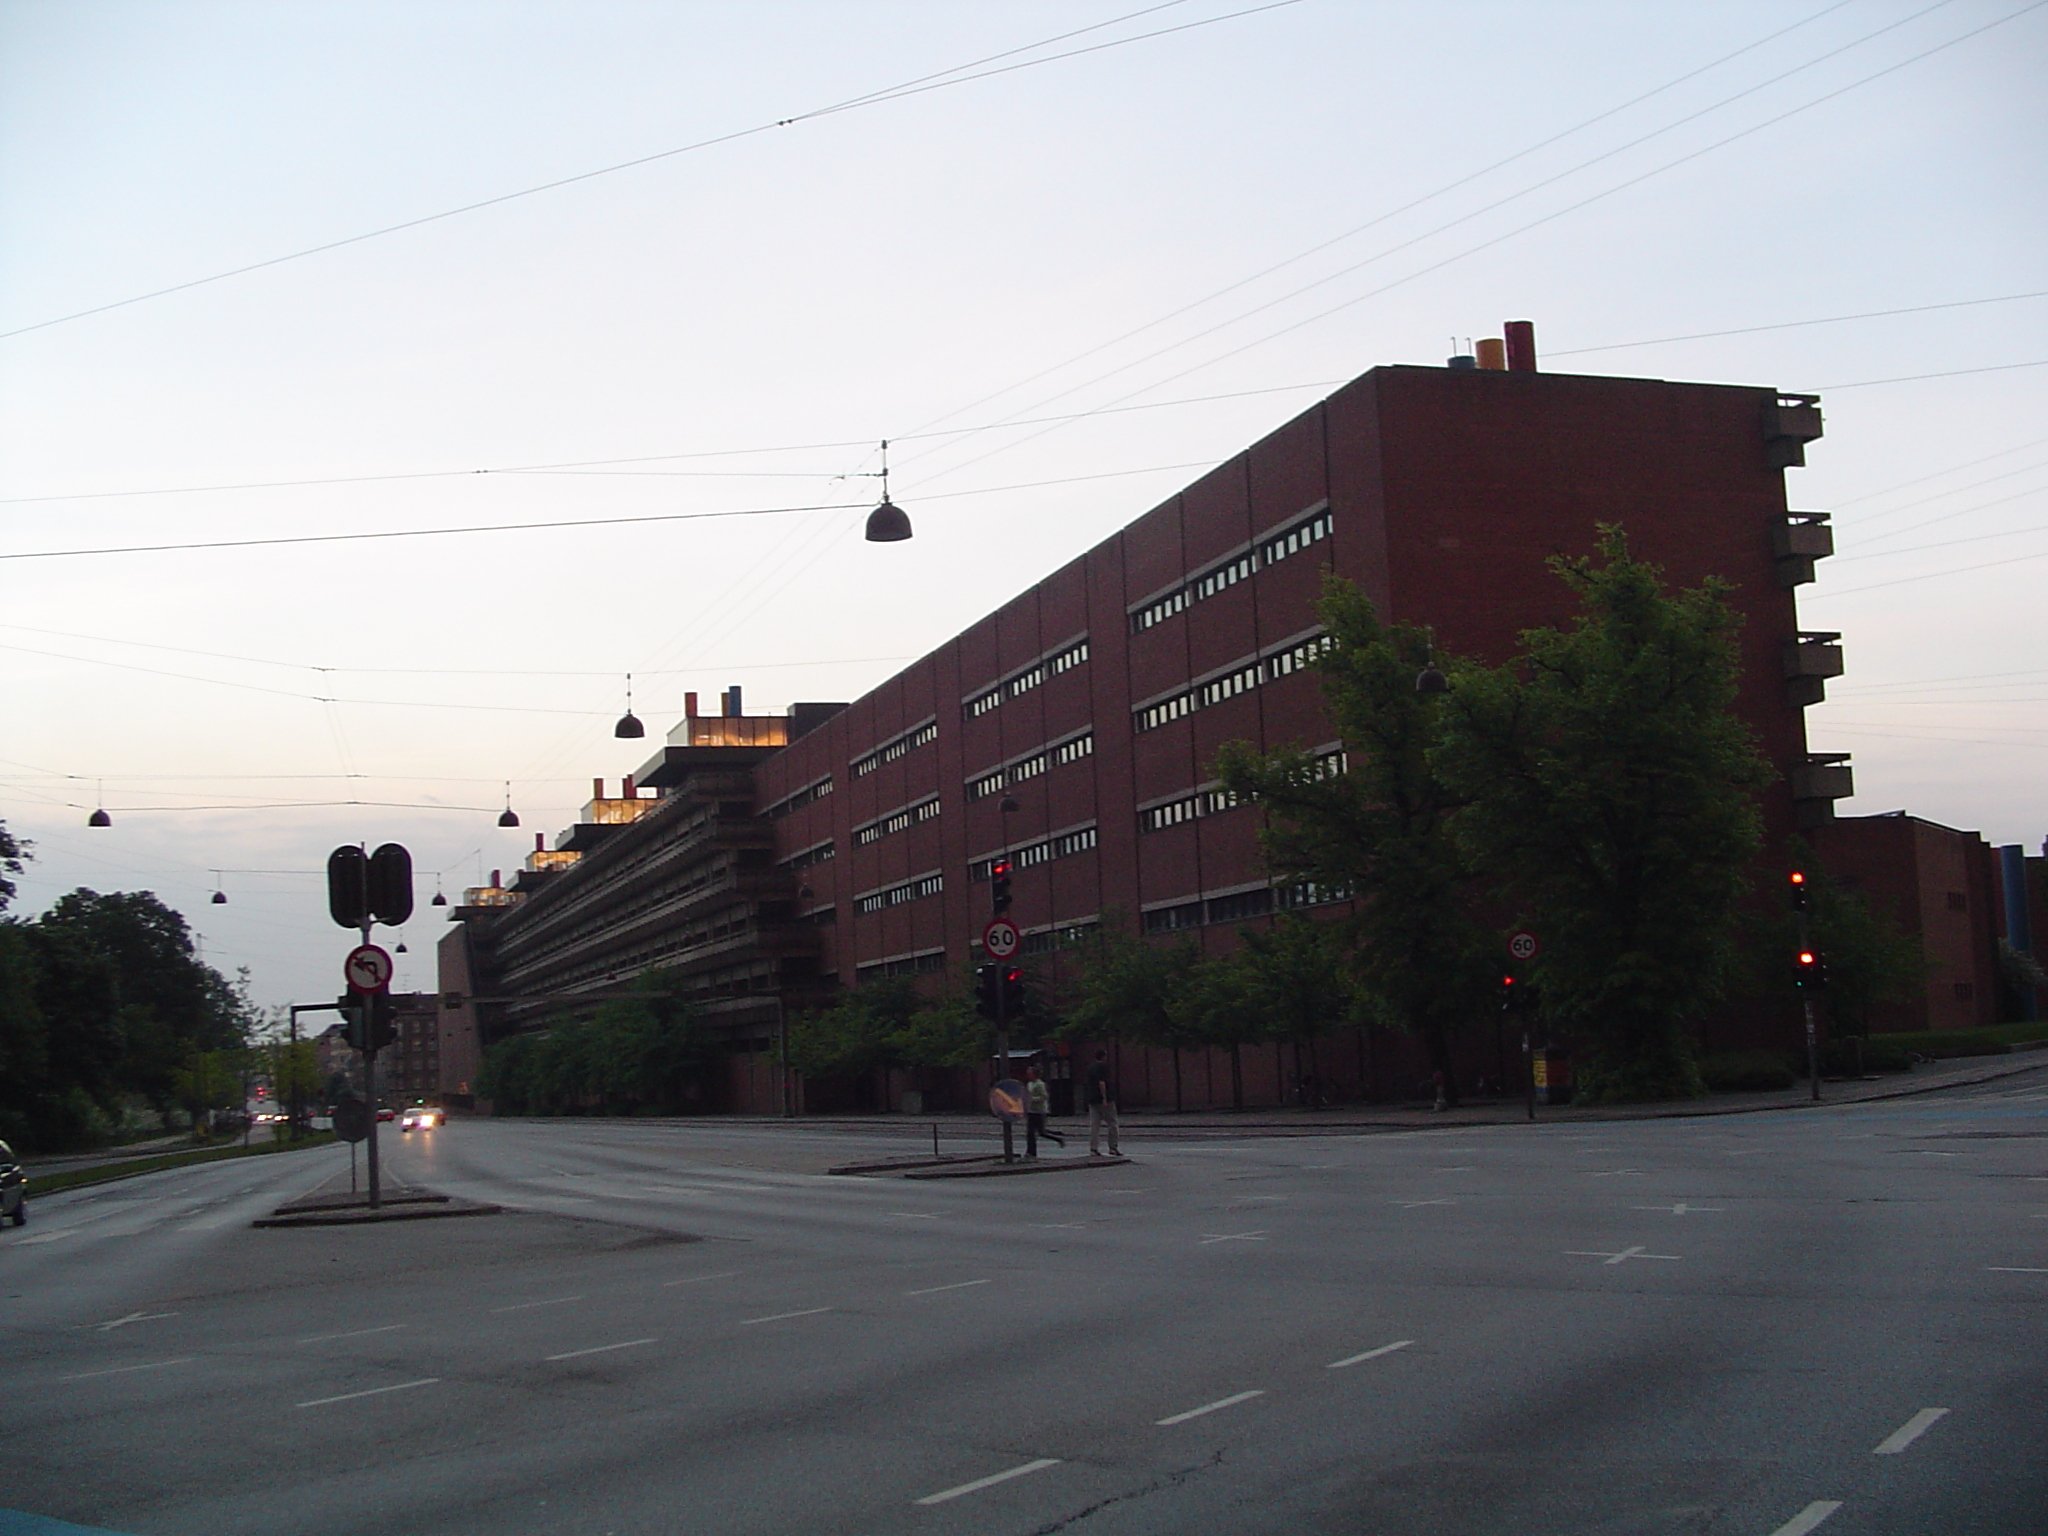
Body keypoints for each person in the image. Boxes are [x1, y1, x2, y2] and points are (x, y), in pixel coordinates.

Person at [1084, 1048, 1120, 1157]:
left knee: (1094, 1125)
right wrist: (1104, 1098)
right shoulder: (1103, 1067)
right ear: (1103, 1056)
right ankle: (1113, 1147)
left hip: (1092, 1099)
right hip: (1105, 1100)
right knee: (1112, 1123)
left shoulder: (1090, 1067)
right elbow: (1102, 1083)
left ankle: (1093, 1149)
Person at [1024, 1063, 1063, 1158]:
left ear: (1034, 1074)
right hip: (1031, 1111)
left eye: (1030, 1073)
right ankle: (1031, 1152)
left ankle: (1058, 1139)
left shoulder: (1040, 1084)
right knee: (1030, 1133)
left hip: (1039, 1111)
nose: (1028, 1075)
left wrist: (1032, 1099)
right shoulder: (1029, 1084)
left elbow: (1044, 1096)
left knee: (1041, 1132)